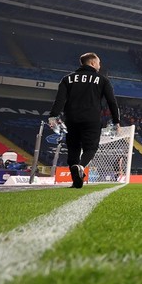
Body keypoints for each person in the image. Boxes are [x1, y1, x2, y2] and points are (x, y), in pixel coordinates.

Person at [48, 52, 120, 189]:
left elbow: (59, 100)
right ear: (92, 63)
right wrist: (116, 121)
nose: (100, 65)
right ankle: (80, 166)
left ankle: (76, 181)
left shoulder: (67, 79)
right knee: (91, 147)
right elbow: (112, 102)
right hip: (91, 119)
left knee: (73, 148)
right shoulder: (102, 80)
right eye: (98, 62)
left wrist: (53, 116)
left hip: (71, 119)